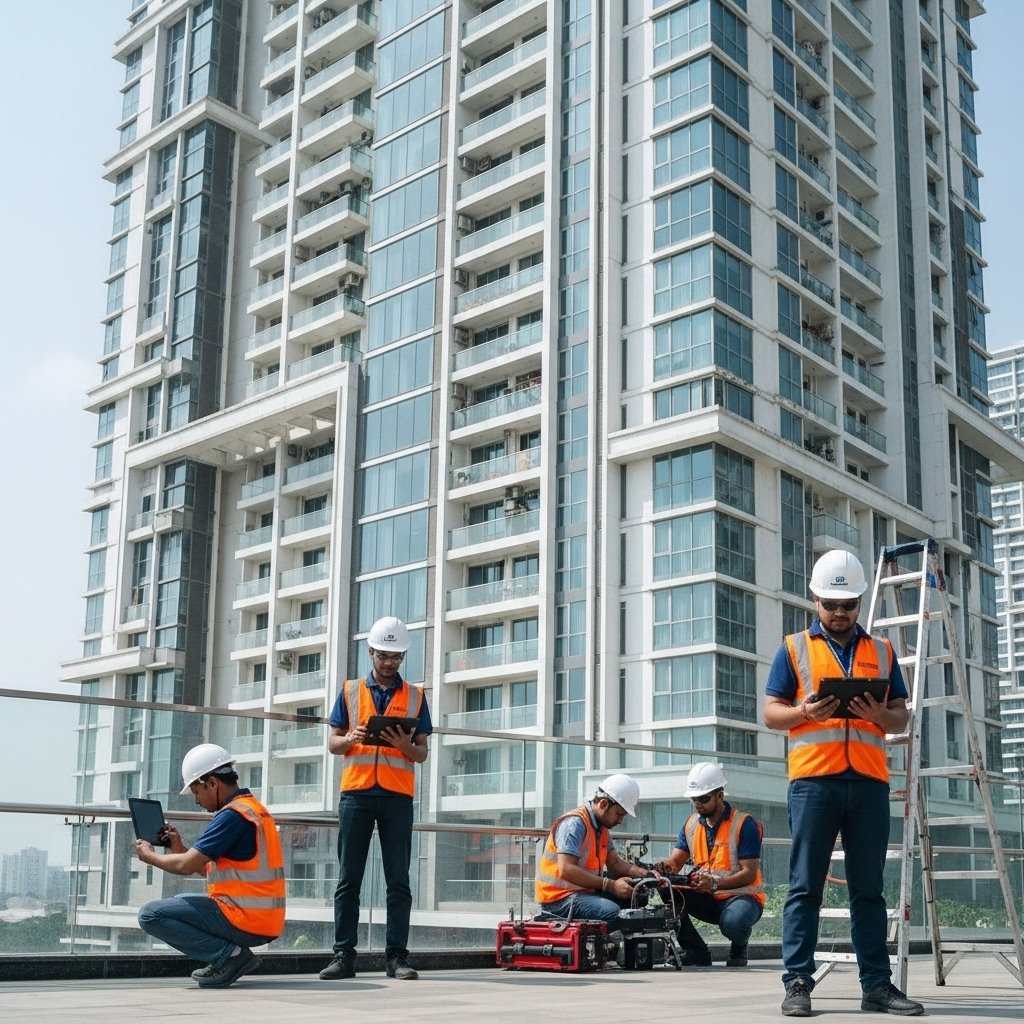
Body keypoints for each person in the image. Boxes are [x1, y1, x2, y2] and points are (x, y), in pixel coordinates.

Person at [764, 549, 924, 1017]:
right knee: (804, 888)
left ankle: (877, 986)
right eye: (832, 604)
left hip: (869, 784)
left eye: (849, 604)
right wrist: (802, 713)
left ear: (859, 601)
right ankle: (797, 982)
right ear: (815, 599)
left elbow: (902, 713)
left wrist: (882, 716)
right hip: (814, 783)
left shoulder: (882, 650)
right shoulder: (793, 649)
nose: (840, 613)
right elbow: (771, 712)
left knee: (868, 890)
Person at [319, 616, 432, 982]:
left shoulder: (415, 695)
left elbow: (422, 753)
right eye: (383, 655)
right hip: (356, 794)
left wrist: (404, 746)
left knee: (398, 880)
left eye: (396, 657)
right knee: (348, 879)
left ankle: (397, 958)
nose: (389, 663)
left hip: (397, 797)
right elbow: (334, 743)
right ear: (370, 652)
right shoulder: (351, 690)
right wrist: (351, 738)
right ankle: (343, 956)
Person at [135, 743, 285, 989]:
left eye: (196, 791)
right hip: (264, 921)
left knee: (150, 914)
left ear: (212, 783)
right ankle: (229, 955)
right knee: (182, 899)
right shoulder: (254, 810)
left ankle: (231, 957)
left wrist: (148, 855)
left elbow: (185, 866)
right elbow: (210, 868)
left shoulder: (231, 816)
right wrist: (178, 847)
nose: (196, 800)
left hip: (244, 919)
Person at [655, 762, 764, 967]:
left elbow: (749, 874)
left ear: (720, 796)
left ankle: (739, 944)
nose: (698, 804)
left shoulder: (744, 824)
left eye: (704, 799)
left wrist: (714, 884)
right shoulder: (691, 825)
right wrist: (663, 867)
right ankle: (696, 951)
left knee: (734, 924)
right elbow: (676, 861)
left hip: (742, 898)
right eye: (694, 799)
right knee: (667, 890)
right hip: (708, 897)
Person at [535, 773, 655, 922]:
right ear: (604, 804)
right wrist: (611, 885)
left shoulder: (602, 829)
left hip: (582, 891)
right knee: (611, 911)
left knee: (637, 897)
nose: (621, 820)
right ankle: (608, 945)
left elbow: (614, 863)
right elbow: (566, 869)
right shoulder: (574, 824)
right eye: (619, 813)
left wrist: (643, 875)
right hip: (559, 899)